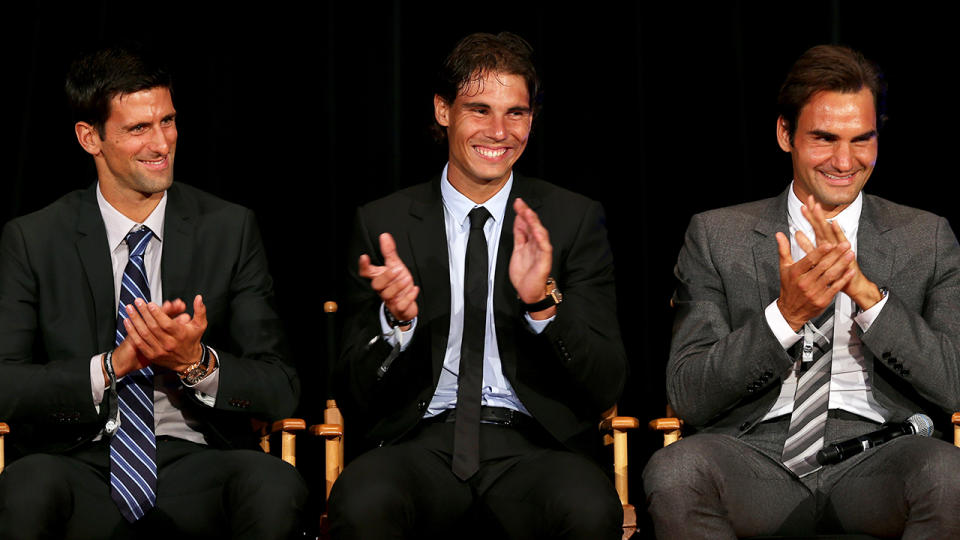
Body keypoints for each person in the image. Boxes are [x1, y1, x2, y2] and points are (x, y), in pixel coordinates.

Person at [643, 44, 960, 537]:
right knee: (676, 471)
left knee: (948, 474)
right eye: (825, 138)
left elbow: (952, 382)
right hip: (754, 453)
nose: (844, 160)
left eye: (862, 140)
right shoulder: (716, 234)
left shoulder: (927, 237)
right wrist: (785, 317)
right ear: (784, 134)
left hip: (880, 454)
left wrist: (869, 298)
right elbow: (689, 393)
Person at [328, 32, 627, 539]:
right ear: (443, 111)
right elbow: (352, 388)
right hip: (418, 441)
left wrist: (542, 304)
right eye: (479, 109)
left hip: (536, 444)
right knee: (362, 504)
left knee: (589, 510)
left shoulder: (571, 220)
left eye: (516, 113)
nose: (499, 131)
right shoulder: (385, 221)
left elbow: (606, 382)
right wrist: (397, 322)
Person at [0, 46, 306, 539]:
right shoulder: (34, 239)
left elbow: (279, 385)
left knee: (274, 484)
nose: (162, 143)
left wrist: (194, 361)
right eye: (139, 129)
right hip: (77, 461)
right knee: (25, 489)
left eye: (168, 121)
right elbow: (6, 384)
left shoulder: (228, 229)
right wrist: (112, 366)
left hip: (196, 460)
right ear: (90, 138)